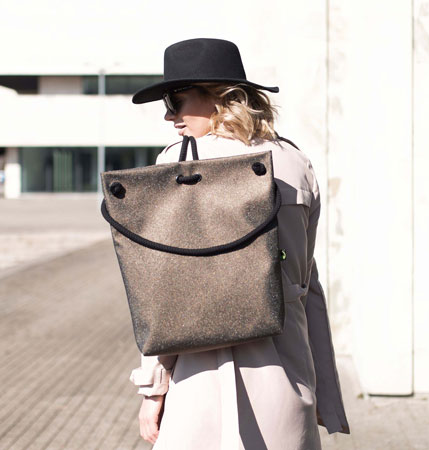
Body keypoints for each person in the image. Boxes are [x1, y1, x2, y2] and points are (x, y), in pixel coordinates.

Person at [128, 38, 350, 449]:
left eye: (176, 100)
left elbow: (163, 293)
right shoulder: (295, 162)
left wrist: (153, 390)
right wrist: (326, 395)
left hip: (199, 379)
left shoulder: (177, 165)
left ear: (221, 97)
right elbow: (307, 284)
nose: (168, 115)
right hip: (286, 374)